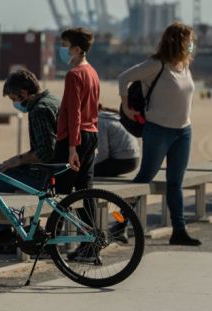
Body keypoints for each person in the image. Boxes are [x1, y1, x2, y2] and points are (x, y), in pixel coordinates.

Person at [118, 22, 201, 246]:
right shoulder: (156, 64)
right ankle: (118, 223)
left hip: (183, 131)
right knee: (144, 177)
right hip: (158, 131)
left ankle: (179, 231)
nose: (193, 45)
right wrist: (126, 106)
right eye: (190, 41)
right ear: (179, 42)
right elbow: (124, 78)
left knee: (175, 183)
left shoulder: (184, 65)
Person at [0, 68, 60, 253]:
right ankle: (10, 229)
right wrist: (14, 161)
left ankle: (5, 235)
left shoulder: (39, 111)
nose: (15, 104)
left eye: (13, 99)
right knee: (1, 170)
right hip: (62, 168)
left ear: (24, 93)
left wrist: (16, 161)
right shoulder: (52, 100)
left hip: (50, 174)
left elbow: (45, 152)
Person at [55, 27, 101, 262]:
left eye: (65, 45)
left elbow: (74, 114)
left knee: (61, 191)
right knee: (85, 190)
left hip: (75, 138)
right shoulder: (92, 72)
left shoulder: (74, 74)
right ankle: (91, 240)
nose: (62, 49)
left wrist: (72, 147)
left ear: (77, 49)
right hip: (91, 133)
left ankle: (57, 239)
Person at [94, 104, 140, 177]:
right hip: (134, 159)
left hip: (121, 162)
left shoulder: (100, 122)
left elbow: (102, 153)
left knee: (84, 170)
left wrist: (92, 164)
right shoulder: (112, 116)